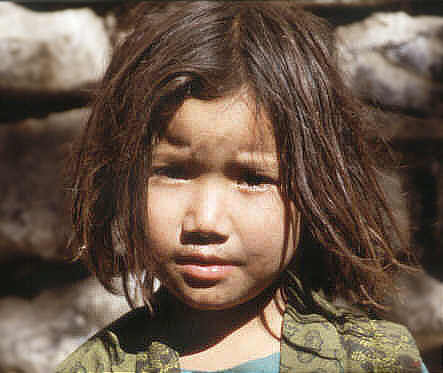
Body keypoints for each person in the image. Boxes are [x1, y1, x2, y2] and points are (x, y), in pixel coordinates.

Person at [56, 2, 429, 372]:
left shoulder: (374, 362)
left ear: (316, 188)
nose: (205, 221)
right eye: (173, 172)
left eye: (252, 179)